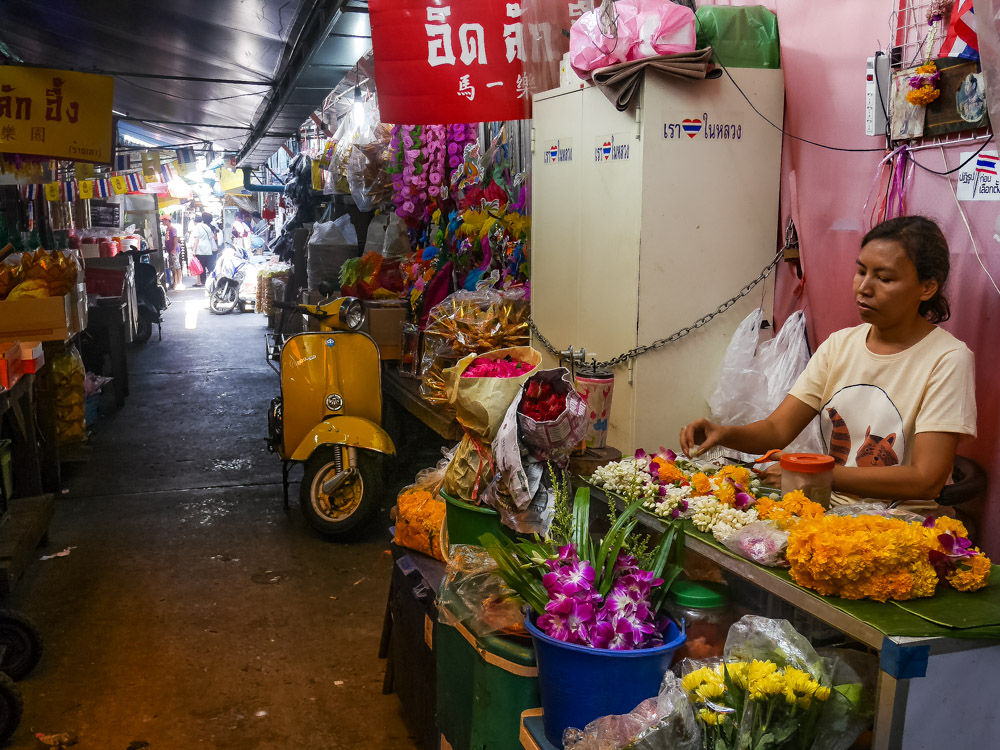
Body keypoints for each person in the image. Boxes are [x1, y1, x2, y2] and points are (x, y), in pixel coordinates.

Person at [679, 215, 976, 516]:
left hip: (905, 525)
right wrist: (724, 433)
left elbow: (926, 479)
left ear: (926, 288)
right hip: (829, 512)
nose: (864, 287)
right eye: (861, 271)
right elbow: (776, 428)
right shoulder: (839, 346)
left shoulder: (947, 359)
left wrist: (814, 475)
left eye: (884, 278)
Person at [187, 214, 216, 287]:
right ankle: (213, 280)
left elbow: (196, 240)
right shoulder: (207, 227)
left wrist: (194, 250)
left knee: (201, 266)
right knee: (210, 266)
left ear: (195, 222)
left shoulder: (196, 228)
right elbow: (211, 236)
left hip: (200, 249)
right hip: (208, 248)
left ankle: (203, 281)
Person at [160, 214, 182, 290]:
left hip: (174, 251)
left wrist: (174, 249)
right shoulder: (168, 229)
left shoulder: (172, 229)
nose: (162, 221)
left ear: (167, 220)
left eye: (163, 220)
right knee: (173, 267)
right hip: (170, 250)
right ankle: (175, 282)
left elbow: (175, 239)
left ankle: (179, 282)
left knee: (177, 267)